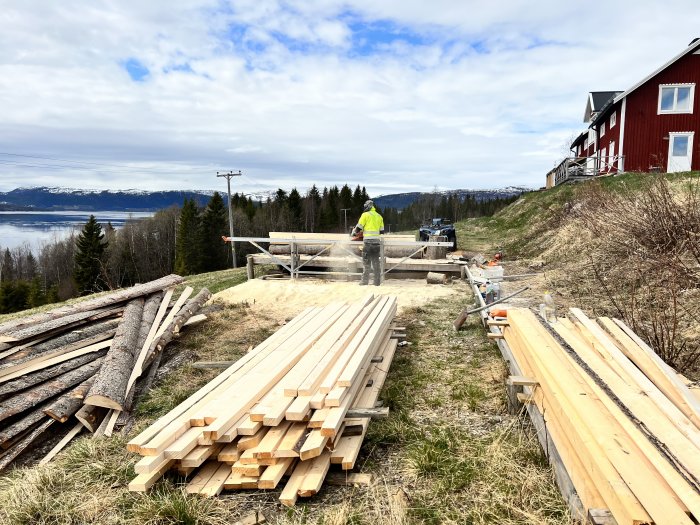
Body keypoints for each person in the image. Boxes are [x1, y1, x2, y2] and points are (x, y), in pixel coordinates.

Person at [351, 200, 385, 286]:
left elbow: (359, 227)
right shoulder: (379, 216)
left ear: (367, 206)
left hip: (368, 243)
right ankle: (377, 282)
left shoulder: (365, 215)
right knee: (376, 263)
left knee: (366, 264)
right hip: (376, 244)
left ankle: (364, 282)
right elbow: (382, 231)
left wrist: (354, 233)